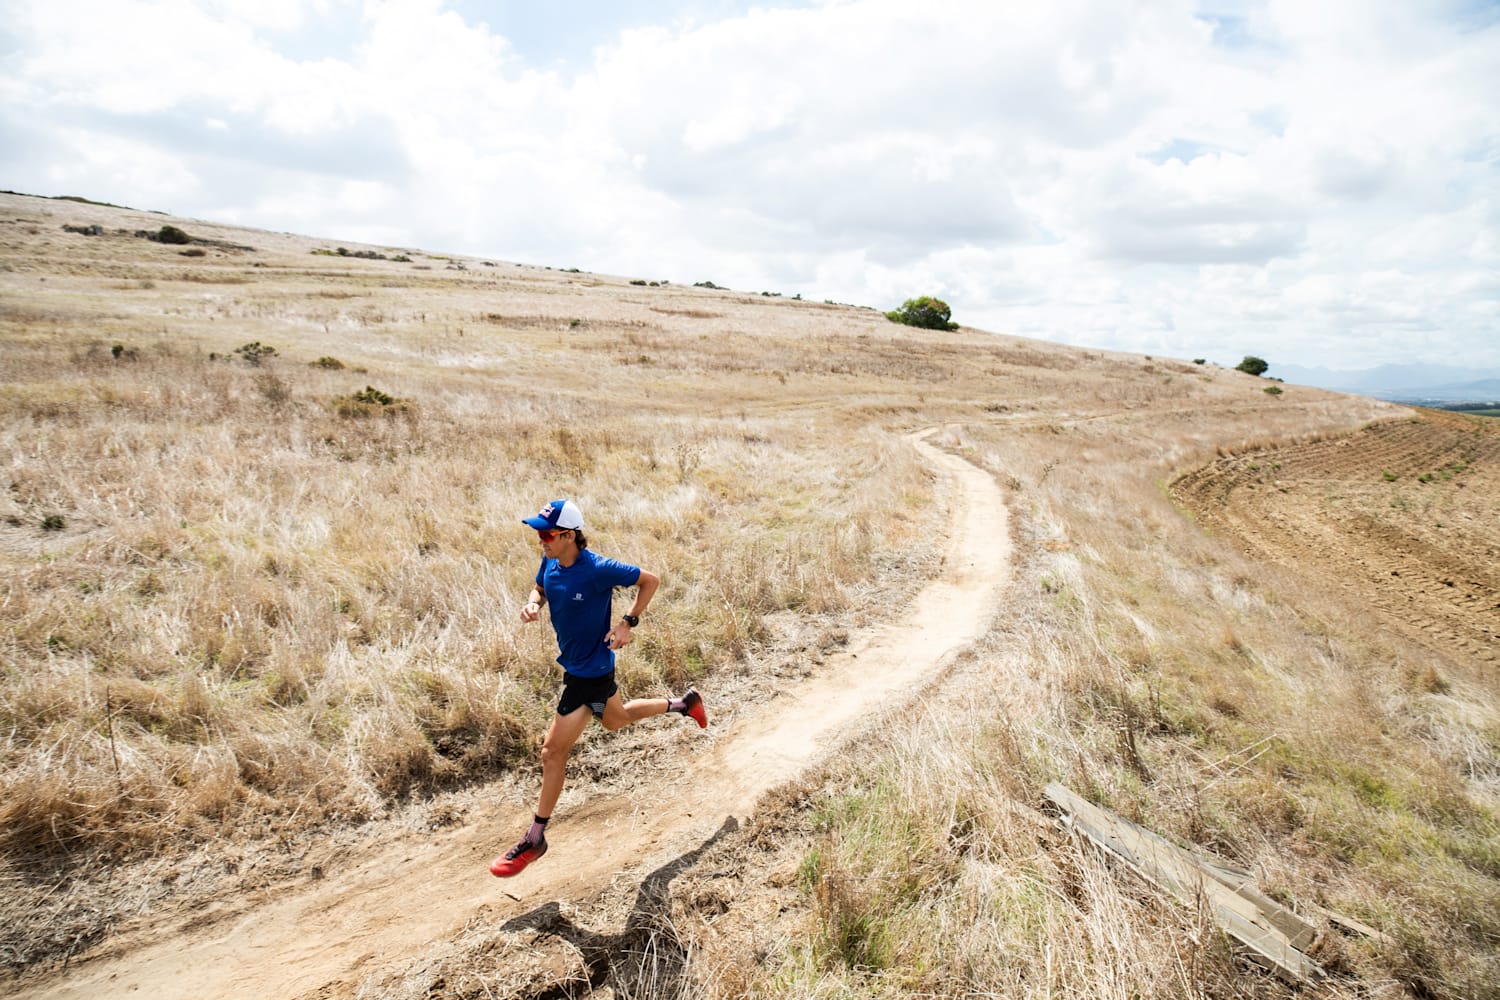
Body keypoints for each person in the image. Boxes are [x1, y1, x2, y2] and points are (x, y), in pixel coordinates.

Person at [491, 498, 707, 878]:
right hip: (580, 667)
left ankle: (535, 837)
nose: (541, 540)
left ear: (570, 535)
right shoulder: (551, 562)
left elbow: (650, 580)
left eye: (548, 534)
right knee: (616, 719)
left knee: (551, 753)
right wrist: (532, 604)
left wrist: (627, 623)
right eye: (539, 533)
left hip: (589, 672)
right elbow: (539, 587)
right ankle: (684, 704)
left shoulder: (597, 569)